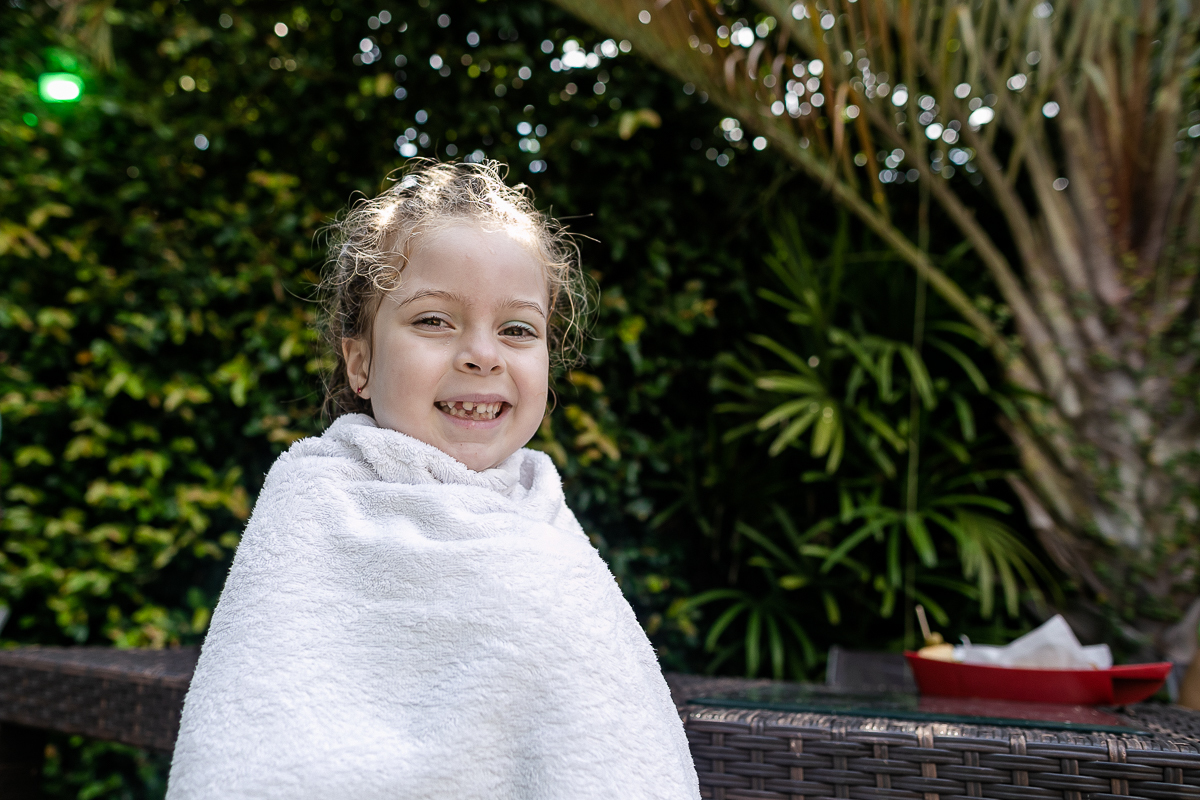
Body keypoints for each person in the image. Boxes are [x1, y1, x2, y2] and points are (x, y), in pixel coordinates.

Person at [166, 160, 700, 799]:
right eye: (433, 321)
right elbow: (262, 725)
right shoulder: (315, 507)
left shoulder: (550, 529)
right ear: (360, 361)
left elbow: (609, 737)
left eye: (517, 329)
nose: (483, 353)